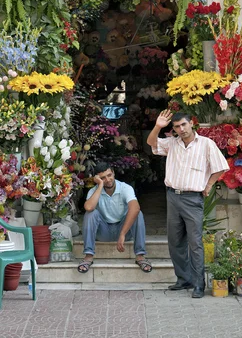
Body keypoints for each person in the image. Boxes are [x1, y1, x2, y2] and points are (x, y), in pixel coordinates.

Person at [147, 110, 229, 298]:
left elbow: (221, 166)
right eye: (176, 127)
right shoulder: (172, 144)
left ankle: (199, 284)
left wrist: (208, 184)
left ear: (191, 123)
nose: (181, 129)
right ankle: (183, 279)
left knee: (195, 242)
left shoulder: (206, 144)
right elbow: (152, 143)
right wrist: (158, 126)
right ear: (174, 129)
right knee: (175, 241)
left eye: (184, 124)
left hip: (193, 199)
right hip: (173, 196)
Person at [77, 162, 152, 273]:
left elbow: (135, 208)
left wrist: (122, 233)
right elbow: (88, 207)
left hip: (124, 230)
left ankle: (140, 255)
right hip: (104, 232)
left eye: (109, 175)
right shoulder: (94, 191)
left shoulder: (125, 188)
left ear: (113, 173)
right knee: (91, 214)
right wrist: (100, 186)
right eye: (103, 178)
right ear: (97, 179)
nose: (107, 179)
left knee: (137, 213)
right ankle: (88, 256)